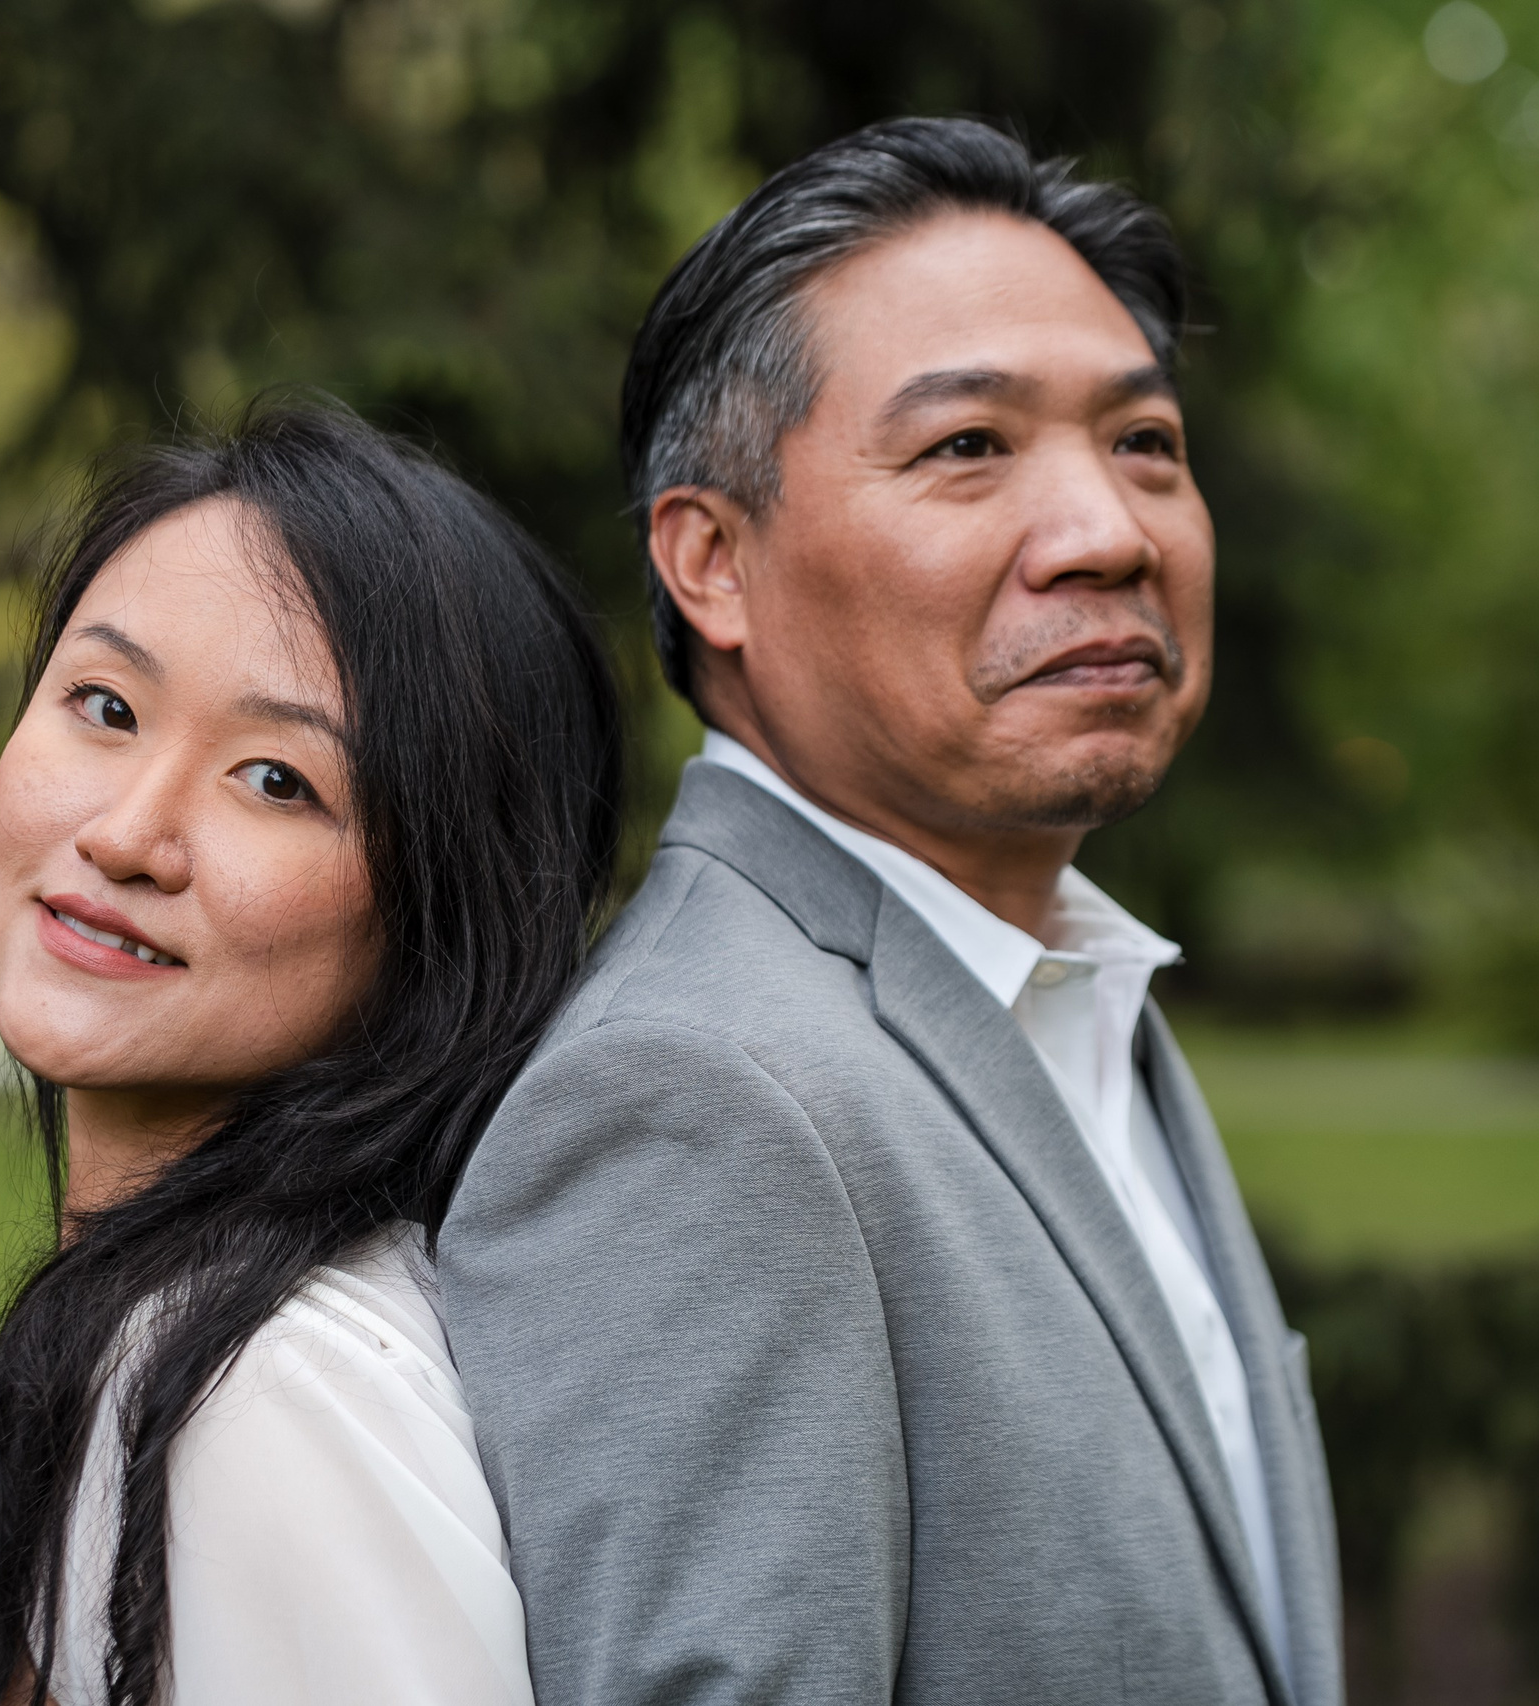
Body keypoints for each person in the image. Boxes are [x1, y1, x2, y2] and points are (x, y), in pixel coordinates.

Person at [440, 118, 1344, 1706]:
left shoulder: (1063, 983)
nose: (1112, 533)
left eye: (1146, 443)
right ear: (711, 562)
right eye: (967, 448)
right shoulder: (695, 1099)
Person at [0, 404, 622, 1706]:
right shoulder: (144, 1330)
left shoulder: (267, 1393)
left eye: (276, 778)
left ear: (442, 918)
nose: (129, 831)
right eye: (105, 704)